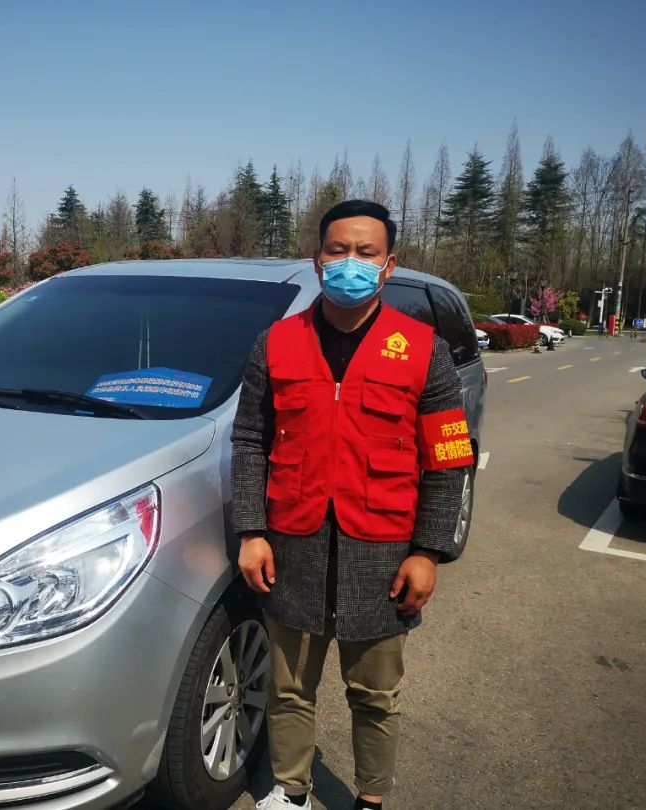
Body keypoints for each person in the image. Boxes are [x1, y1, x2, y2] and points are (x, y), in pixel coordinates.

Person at [231, 200, 474, 810]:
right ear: (318, 259)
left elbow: (449, 458)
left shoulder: (422, 348)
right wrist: (251, 530)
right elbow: (251, 439)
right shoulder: (276, 344)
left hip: (383, 550)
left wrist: (429, 552)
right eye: (338, 250)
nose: (351, 263)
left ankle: (371, 798)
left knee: (374, 694)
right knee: (289, 688)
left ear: (389, 265)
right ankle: (290, 791)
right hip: (293, 544)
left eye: (366, 252)